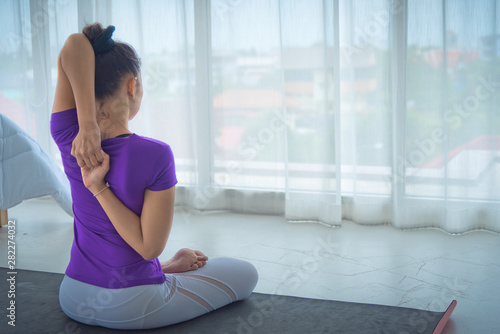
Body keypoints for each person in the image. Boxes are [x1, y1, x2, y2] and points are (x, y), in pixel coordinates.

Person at [51, 23, 258, 330]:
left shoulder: (69, 135)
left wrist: (88, 125)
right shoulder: (157, 154)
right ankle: (162, 275)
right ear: (133, 87)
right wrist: (99, 188)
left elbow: (73, 44)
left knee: (162, 266)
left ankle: (164, 271)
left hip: (73, 295)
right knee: (246, 273)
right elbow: (147, 247)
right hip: (132, 305)